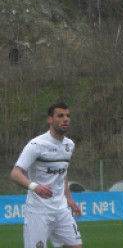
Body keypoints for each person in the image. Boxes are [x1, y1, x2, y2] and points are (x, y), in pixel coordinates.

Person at [10, 103, 83, 248]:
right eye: (60, 116)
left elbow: (63, 172)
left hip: (61, 209)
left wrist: (69, 198)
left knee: (75, 246)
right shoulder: (36, 145)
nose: (65, 119)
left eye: (67, 116)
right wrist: (34, 187)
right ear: (50, 119)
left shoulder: (69, 145)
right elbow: (15, 173)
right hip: (39, 211)